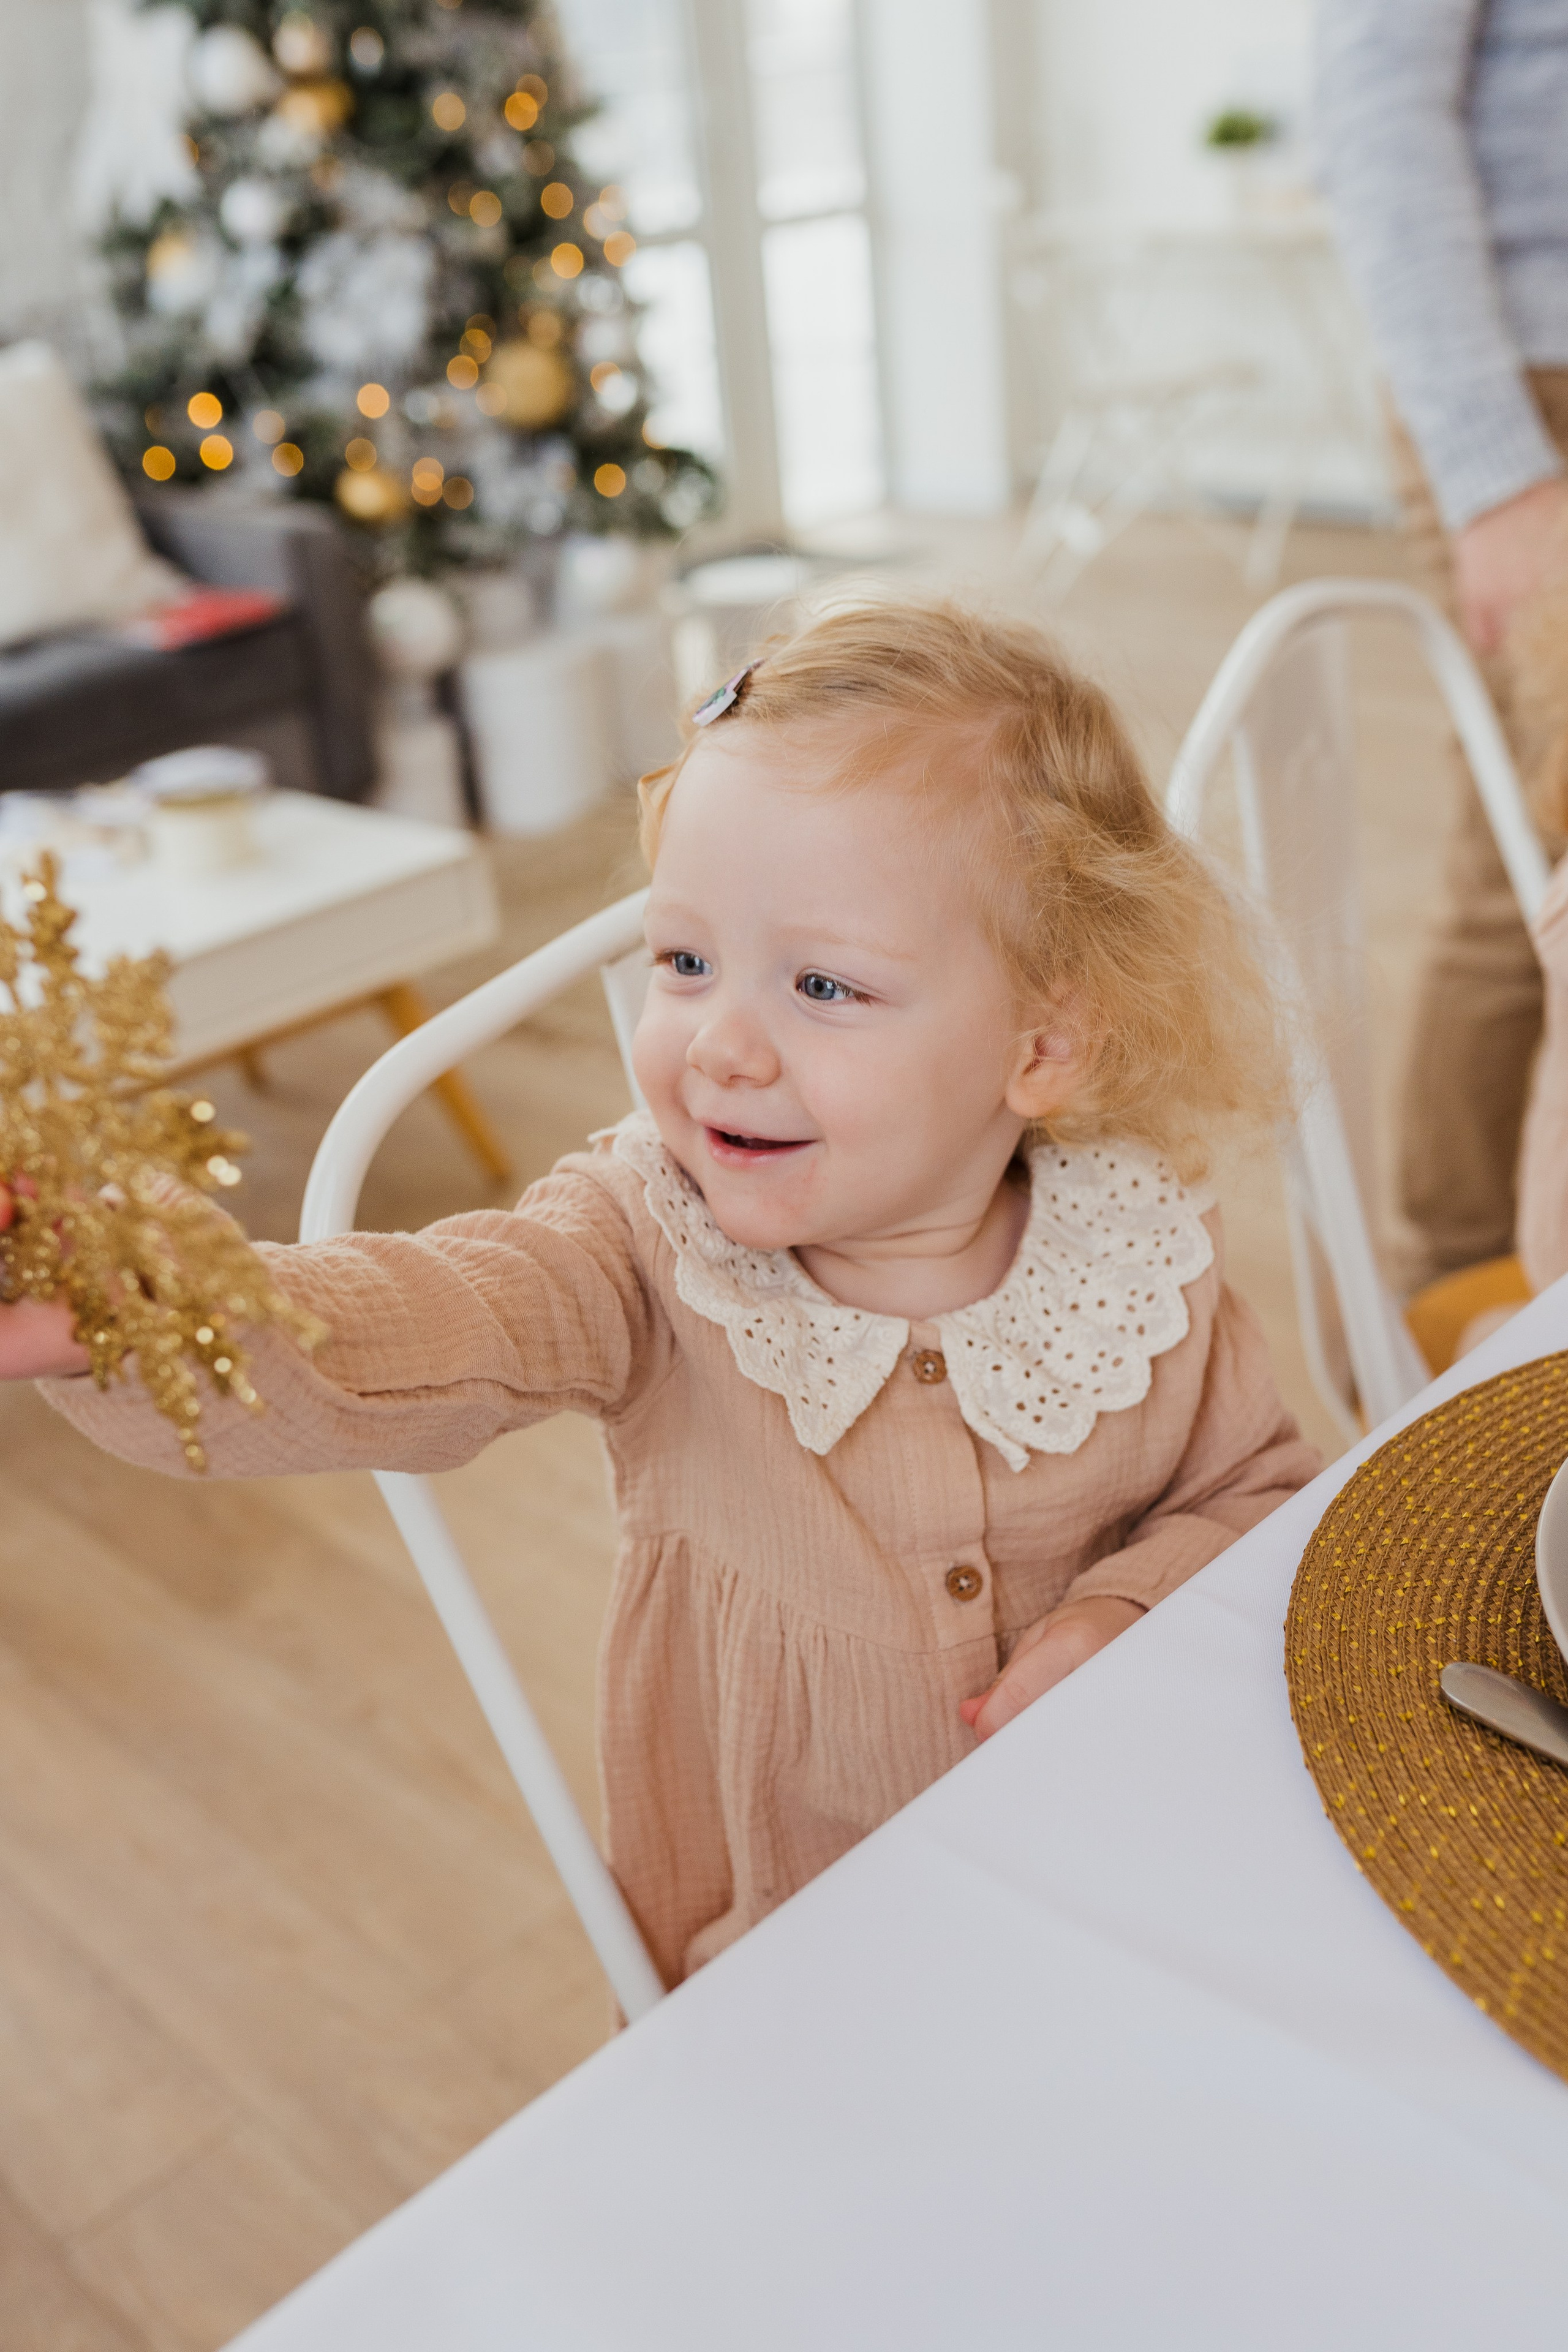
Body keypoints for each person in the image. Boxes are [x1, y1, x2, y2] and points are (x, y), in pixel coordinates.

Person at [0, 603, 1319, 1989]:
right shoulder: (645, 1245)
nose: (722, 1045)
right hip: (792, 1957)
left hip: (1126, 1878)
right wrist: (141, 1300)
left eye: (821, 984)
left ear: (1041, 1045)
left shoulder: (1132, 1254)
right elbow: (423, 1315)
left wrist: (1123, 1612)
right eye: (682, 962)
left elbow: (1260, 1493)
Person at [1315, 0, 1568, 1289]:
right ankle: (1452, 1287)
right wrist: (1491, 476)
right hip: (1527, 391)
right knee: (1533, 858)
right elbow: (1375, 120)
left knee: (1516, 844)